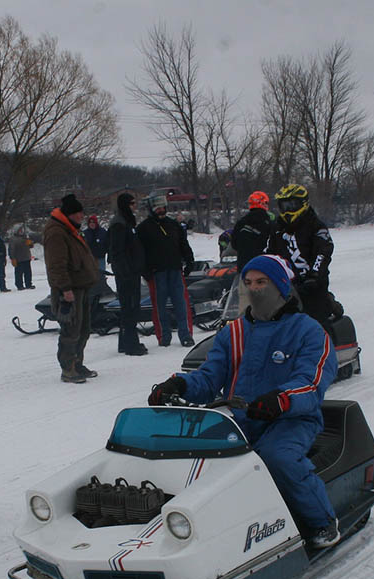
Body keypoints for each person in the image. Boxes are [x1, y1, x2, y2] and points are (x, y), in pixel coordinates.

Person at [147, 254, 340, 549]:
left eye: (262, 282)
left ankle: (322, 521)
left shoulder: (309, 331)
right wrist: (180, 384)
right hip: (239, 419)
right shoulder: (233, 332)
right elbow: (210, 378)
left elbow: (312, 383)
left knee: (278, 458)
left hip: (291, 419)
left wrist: (281, 400)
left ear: (280, 287)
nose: (254, 289)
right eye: (248, 283)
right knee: (189, 457)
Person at [43, 193, 101, 383]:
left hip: (81, 286)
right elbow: (56, 265)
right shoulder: (57, 232)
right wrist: (65, 289)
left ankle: (77, 363)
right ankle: (68, 368)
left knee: (83, 329)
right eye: (78, 213)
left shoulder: (70, 229)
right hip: (69, 289)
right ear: (70, 214)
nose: (82, 217)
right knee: (71, 329)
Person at [267, 183, 336, 329]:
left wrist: (314, 275)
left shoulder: (315, 225)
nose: (287, 210)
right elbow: (268, 253)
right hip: (285, 286)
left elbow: (323, 251)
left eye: (291, 205)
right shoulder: (277, 228)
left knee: (316, 322)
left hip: (313, 284)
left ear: (303, 204)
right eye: (284, 205)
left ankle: (327, 346)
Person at [137, 191, 196, 348]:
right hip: (156, 272)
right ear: (151, 210)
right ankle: (164, 336)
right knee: (159, 306)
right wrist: (144, 270)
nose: (161, 211)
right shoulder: (143, 228)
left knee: (181, 304)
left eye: (163, 207)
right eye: (157, 208)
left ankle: (186, 335)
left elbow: (183, 244)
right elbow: (140, 252)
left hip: (175, 269)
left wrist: (189, 261)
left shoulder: (173, 224)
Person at [106, 193, 148, 356]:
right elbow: (117, 250)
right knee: (129, 308)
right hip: (126, 273)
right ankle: (131, 344)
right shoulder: (119, 223)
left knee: (130, 308)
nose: (134, 206)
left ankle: (125, 342)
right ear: (125, 205)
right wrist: (126, 271)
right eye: (132, 203)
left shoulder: (126, 220)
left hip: (131, 270)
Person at [232, 191, 275, 269]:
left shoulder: (241, 222)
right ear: (263, 203)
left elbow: (234, 244)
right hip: (264, 267)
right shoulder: (268, 222)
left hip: (244, 267)